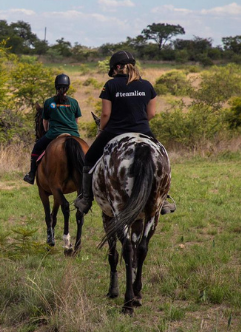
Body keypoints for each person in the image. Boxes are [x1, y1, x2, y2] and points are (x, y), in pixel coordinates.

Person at [74, 51, 176, 214]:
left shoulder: (111, 85)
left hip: (114, 131)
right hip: (143, 130)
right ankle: (162, 199)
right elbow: (151, 114)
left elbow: (106, 114)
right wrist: (137, 122)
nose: (113, 73)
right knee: (161, 158)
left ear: (118, 67)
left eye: (113, 70)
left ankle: (86, 199)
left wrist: (101, 130)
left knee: (89, 159)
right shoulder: (147, 85)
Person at [23, 74, 82, 185]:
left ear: (56, 86)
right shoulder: (74, 102)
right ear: (68, 87)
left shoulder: (49, 102)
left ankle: (31, 175)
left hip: (54, 133)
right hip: (73, 133)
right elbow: (76, 121)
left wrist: (46, 131)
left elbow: (45, 121)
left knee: (36, 148)